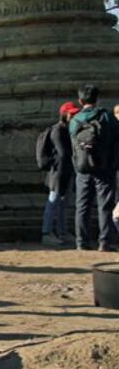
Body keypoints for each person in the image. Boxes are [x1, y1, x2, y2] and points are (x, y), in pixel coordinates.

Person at [69, 85, 119, 251]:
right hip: (104, 167)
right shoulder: (105, 116)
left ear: (80, 100)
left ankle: (81, 242)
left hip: (82, 168)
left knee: (82, 206)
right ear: (97, 99)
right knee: (105, 205)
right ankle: (105, 241)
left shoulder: (75, 120)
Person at [41, 101, 80, 246]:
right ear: (64, 114)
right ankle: (46, 233)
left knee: (64, 204)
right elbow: (63, 153)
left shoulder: (70, 130)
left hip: (68, 171)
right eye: (72, 114)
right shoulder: (57, 130)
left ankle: (62, 232)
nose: (74, 116)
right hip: (57, 173)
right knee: (53, 202)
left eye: (76, 113)